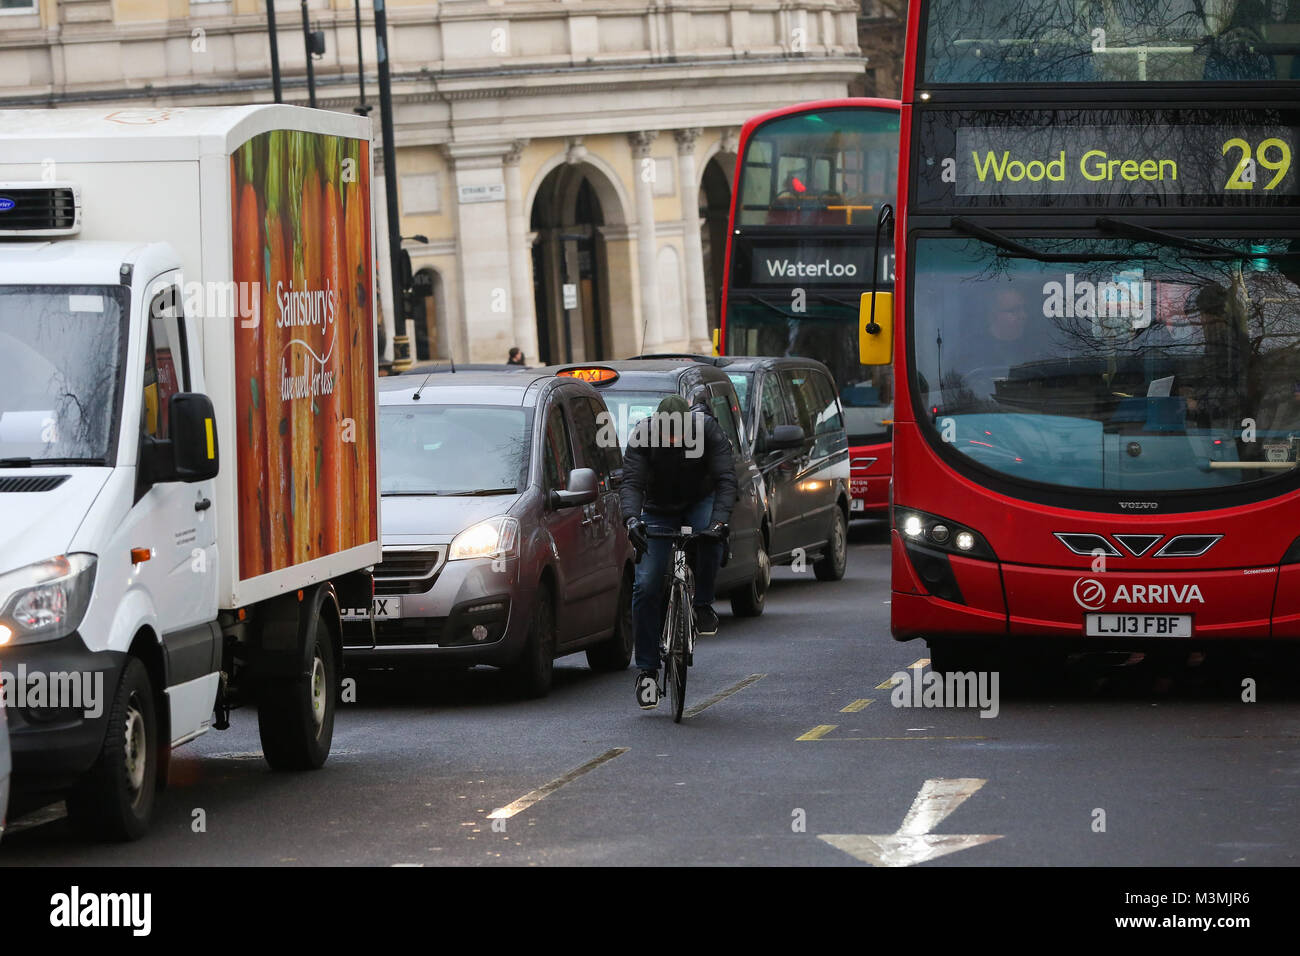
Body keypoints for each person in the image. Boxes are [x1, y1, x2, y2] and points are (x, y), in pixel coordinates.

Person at [621, 393, 737, 710]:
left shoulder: (709, 431)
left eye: (679, 434)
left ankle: (701, 605)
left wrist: (719, 523)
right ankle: (647, 669)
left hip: (699, 501)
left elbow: (727, 480)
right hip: (657, 508)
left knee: (711, 538)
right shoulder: (643, 436)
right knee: (645, 585)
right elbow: (631, 483)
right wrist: (631, 519)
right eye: (666, 433)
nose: (672, 439)